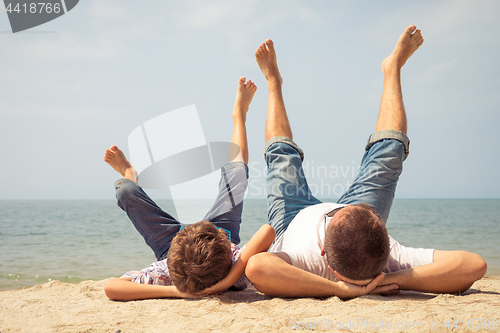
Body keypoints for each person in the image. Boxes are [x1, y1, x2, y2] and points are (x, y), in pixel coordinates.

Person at [245, 25, 487, 298]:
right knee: (390, 152)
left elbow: (257, 268)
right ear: (382, 234)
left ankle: (273, 82)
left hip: (291, 220)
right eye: (370, 213)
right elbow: (474, 264)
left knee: (281, 157)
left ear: (322, 249)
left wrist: (337, 290)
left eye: (338, 213)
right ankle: (392, 68)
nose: (335, 209)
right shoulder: (390, 255)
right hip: (358, 234)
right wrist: (394, 279)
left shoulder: (307, 259)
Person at [103, 77, 276, 301]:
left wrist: (175, 290)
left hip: (175, 251)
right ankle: (239, 115)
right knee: (237, 174)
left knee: (126, 191)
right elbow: (267, 231)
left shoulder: (168, 272)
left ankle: (129, 174)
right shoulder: (233, 264)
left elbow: (111, 287)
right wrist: (229, 279)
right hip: (217, 240)